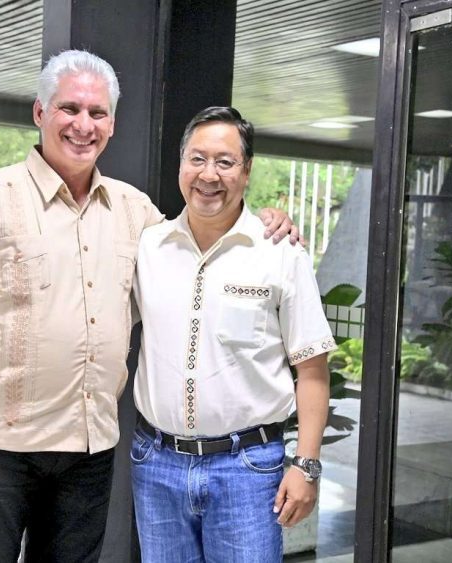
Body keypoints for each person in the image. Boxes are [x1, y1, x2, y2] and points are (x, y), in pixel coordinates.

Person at [0, 51, 297, 562]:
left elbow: (203, 241)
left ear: (111, 123)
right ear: (40, 113)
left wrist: (266, 220)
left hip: (86, 455)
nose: (82, 125)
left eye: (97, 113)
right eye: (70, 108)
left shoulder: (136, 212)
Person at [131, 106, 335, 563]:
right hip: (157, 465)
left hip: (246, 470)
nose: (209, 175)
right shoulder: (148, 247)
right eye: (197, 159)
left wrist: (306, 464)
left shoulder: (280, 253)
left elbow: (314, 370)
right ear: (181, 164)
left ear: (246, 171)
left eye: (225, 162)